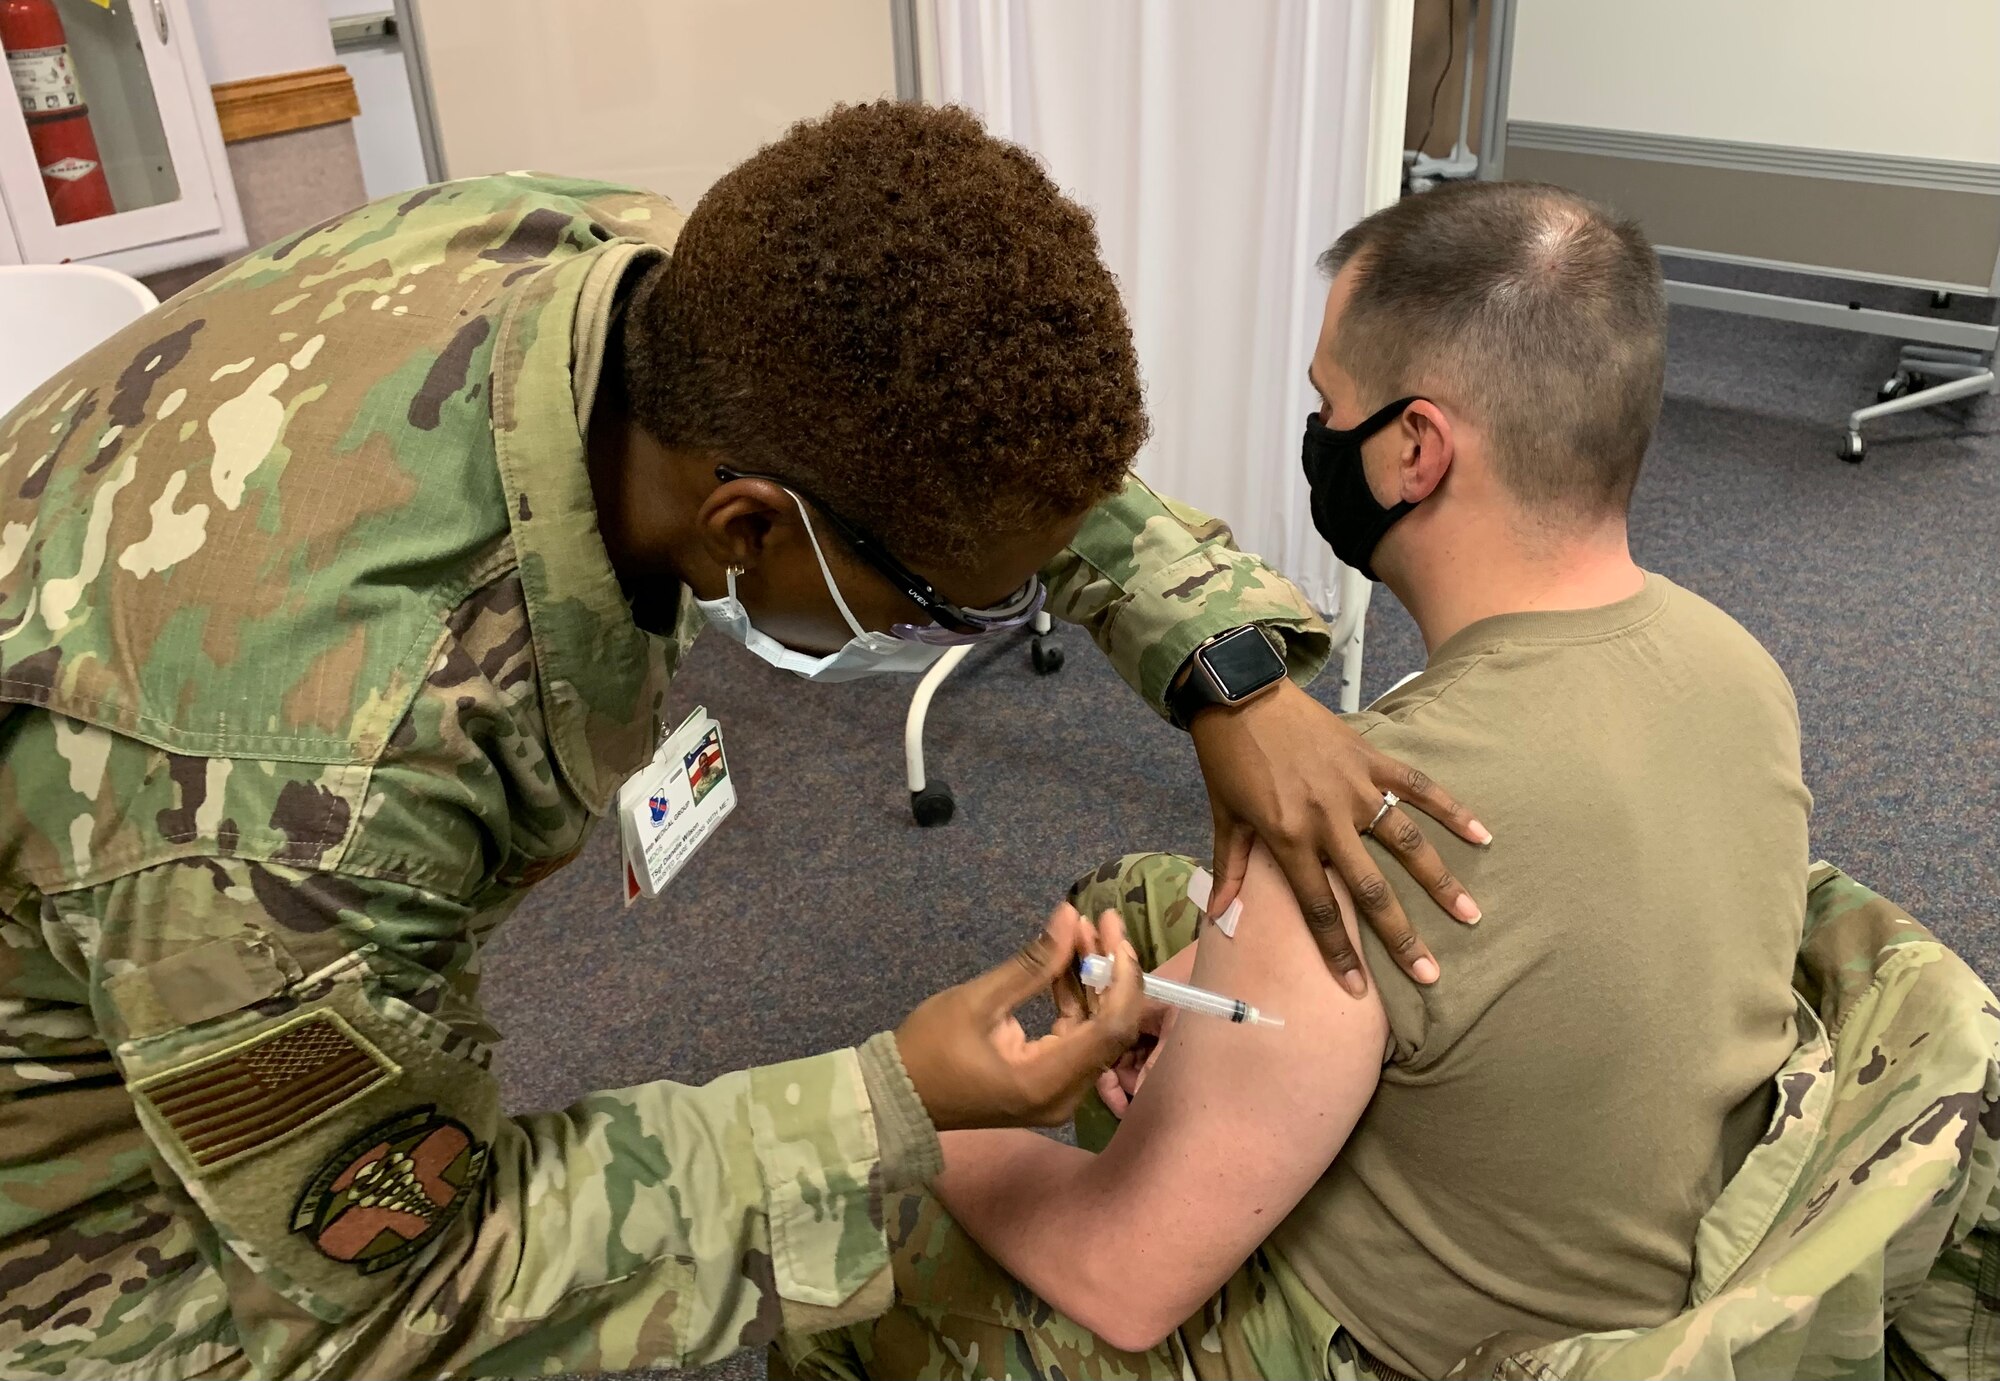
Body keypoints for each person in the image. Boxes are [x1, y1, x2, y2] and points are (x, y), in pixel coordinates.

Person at [0, 103, 1486, 1379]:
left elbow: (965, 448)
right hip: (63, 1139)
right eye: (939, 614)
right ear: (751, 525)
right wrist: (890, 1100)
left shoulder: (640, 274)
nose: (959, 630)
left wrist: (1224, 669)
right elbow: (412, 1277)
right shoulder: (301, 806)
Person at [778, 180, 1814, 1381]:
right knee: (1148, 900)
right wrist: (1199, 997)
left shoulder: (1364, 822)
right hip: (1647, 1274)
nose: (1316, 431)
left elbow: (1125, 1276)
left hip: (1416, 1350)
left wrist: (927, 1117)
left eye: (1329, 405)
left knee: (849, 1267)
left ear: (1412, 451)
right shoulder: (1738, 666)